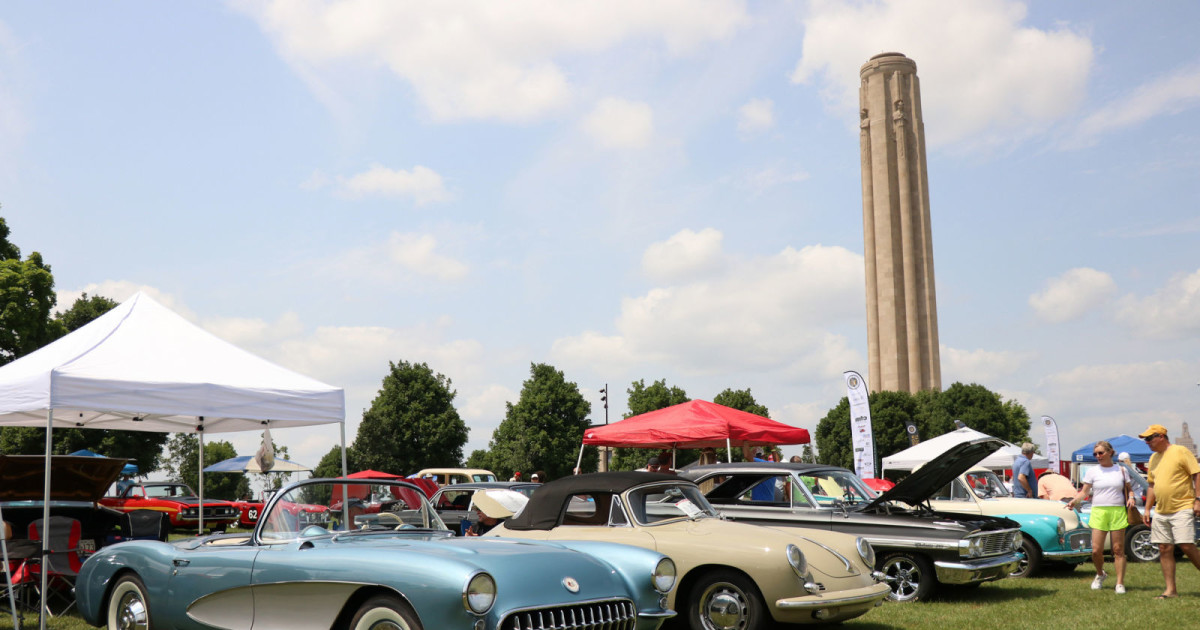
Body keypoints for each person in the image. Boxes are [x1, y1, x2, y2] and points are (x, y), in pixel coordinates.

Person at [1140, 423, 1200, 599]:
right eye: (1145, 439)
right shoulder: (1153, 458)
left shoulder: (1180, 451)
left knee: (1187, 545)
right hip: (1161, 510)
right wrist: (1147, 508)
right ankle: (1170, 590)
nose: (1147, 442)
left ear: (1161, 436)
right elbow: (1152, 484)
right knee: (1164, 548)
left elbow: (1197, 474)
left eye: (1150, 438)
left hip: (1182, 506)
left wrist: (1198, 500)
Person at [1066, 440, 1134, 594]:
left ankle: (1120, 583)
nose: (1098, 456)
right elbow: (1084, 492)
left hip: (1117, 512)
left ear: (1110, 452)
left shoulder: (1122, 470)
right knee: (1096, 550)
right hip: (1098, 512)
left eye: (1101, 453)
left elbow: (1129, 490)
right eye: (1095, 454)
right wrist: (1074, 501)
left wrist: (1131, 498)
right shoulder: (1092, 471)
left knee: (1118, 550)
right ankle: (1100, 574)